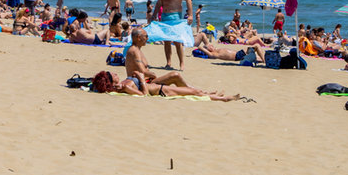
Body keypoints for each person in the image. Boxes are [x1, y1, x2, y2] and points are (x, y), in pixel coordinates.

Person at [146, 0, 193, 70]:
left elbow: (188, 0)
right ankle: (168, 63)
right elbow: (159, 2)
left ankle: (181, 63)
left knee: (177, 41)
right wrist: (154, 15)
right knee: (166, 40)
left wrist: (190, 15)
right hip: (165, 17)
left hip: (175, 16)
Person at [90, 70, 241, 101]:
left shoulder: (122, 84)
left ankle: (213, 95)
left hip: (158, 88)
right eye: (113, 74)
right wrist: (142, 79)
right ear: (112, 80)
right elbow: (143, 95)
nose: (116, 73)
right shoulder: (122, 87)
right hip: (160, 91)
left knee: (192, 91)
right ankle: (224, 99)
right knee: (193, 92)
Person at [198, 41, 264, 64]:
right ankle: (264, 61)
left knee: (258, 58)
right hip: (238, 55)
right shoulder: (213, 54)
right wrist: (203, 48)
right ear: (207, 49)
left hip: (239, 54)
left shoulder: (216, 51)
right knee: (257, 45)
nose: (211, 45)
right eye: (209, 46)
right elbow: (200, 47)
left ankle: (263, 60)